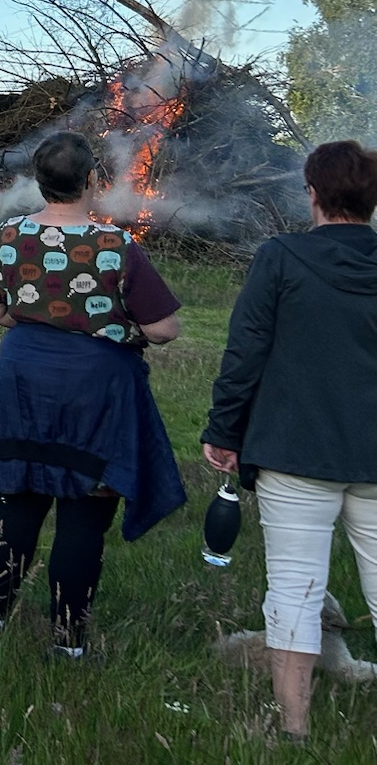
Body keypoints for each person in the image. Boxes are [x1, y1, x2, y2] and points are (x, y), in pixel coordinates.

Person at [0, 129, 185, 658]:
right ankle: (67, 643)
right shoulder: (116, 245)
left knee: (19, 498)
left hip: (23, 382)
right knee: (84, 510)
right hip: (96, 391)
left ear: (39, 182)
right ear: (92, 181)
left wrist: (32, 324)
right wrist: (114, 327)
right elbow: (163, 329)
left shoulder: (10, 236)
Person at [202, 140, 377, 741]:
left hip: (294, 451)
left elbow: (245, 351)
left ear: (313, 193)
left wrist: (224, 431)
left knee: (295, 591)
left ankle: (294, 729)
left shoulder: (279, 257)